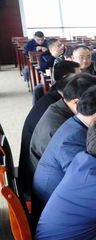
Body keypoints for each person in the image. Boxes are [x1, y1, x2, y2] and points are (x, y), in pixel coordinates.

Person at [32, 86, 96, 219]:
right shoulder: (72, 140)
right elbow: (89, 182)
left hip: (70, 202)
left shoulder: (76, 125)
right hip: (62, 214)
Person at [18, 60, 81, 198]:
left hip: (39, 173)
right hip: (38, 185)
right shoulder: (54, 111)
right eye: (79, 77)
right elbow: (73, 168)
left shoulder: (57, 99)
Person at [28, 73, 96, 175]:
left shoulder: (62, 106)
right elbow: (80, 170)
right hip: (55, 180)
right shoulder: (57, 126)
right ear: (77, 102)